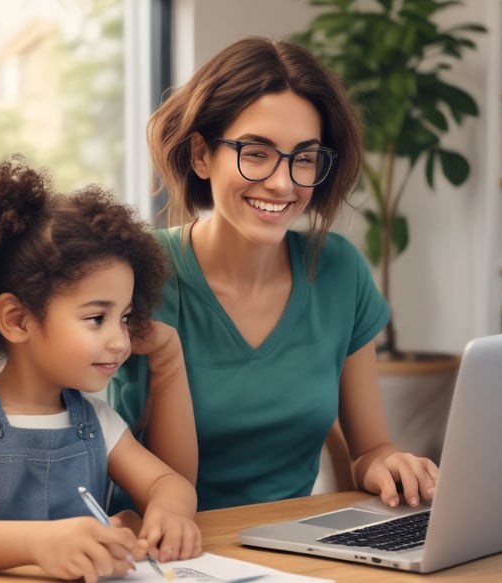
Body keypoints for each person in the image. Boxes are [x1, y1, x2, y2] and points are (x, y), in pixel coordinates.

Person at [108, 37, 439, 512]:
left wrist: (390, 463)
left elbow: (368, 449)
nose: (283, 183)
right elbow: (76, 437)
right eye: (256, 153)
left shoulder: (339, 271)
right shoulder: (137, 273)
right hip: (155, 551)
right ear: (202, 154)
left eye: (304, 158)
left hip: (290, 550)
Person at [0, 159, 201, 582]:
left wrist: (171, 511)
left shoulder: (95, 421)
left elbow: (170, 482)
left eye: (125, 318)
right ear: (18, 320)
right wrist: (39, 543)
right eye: (96, 318)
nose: (120, 340)